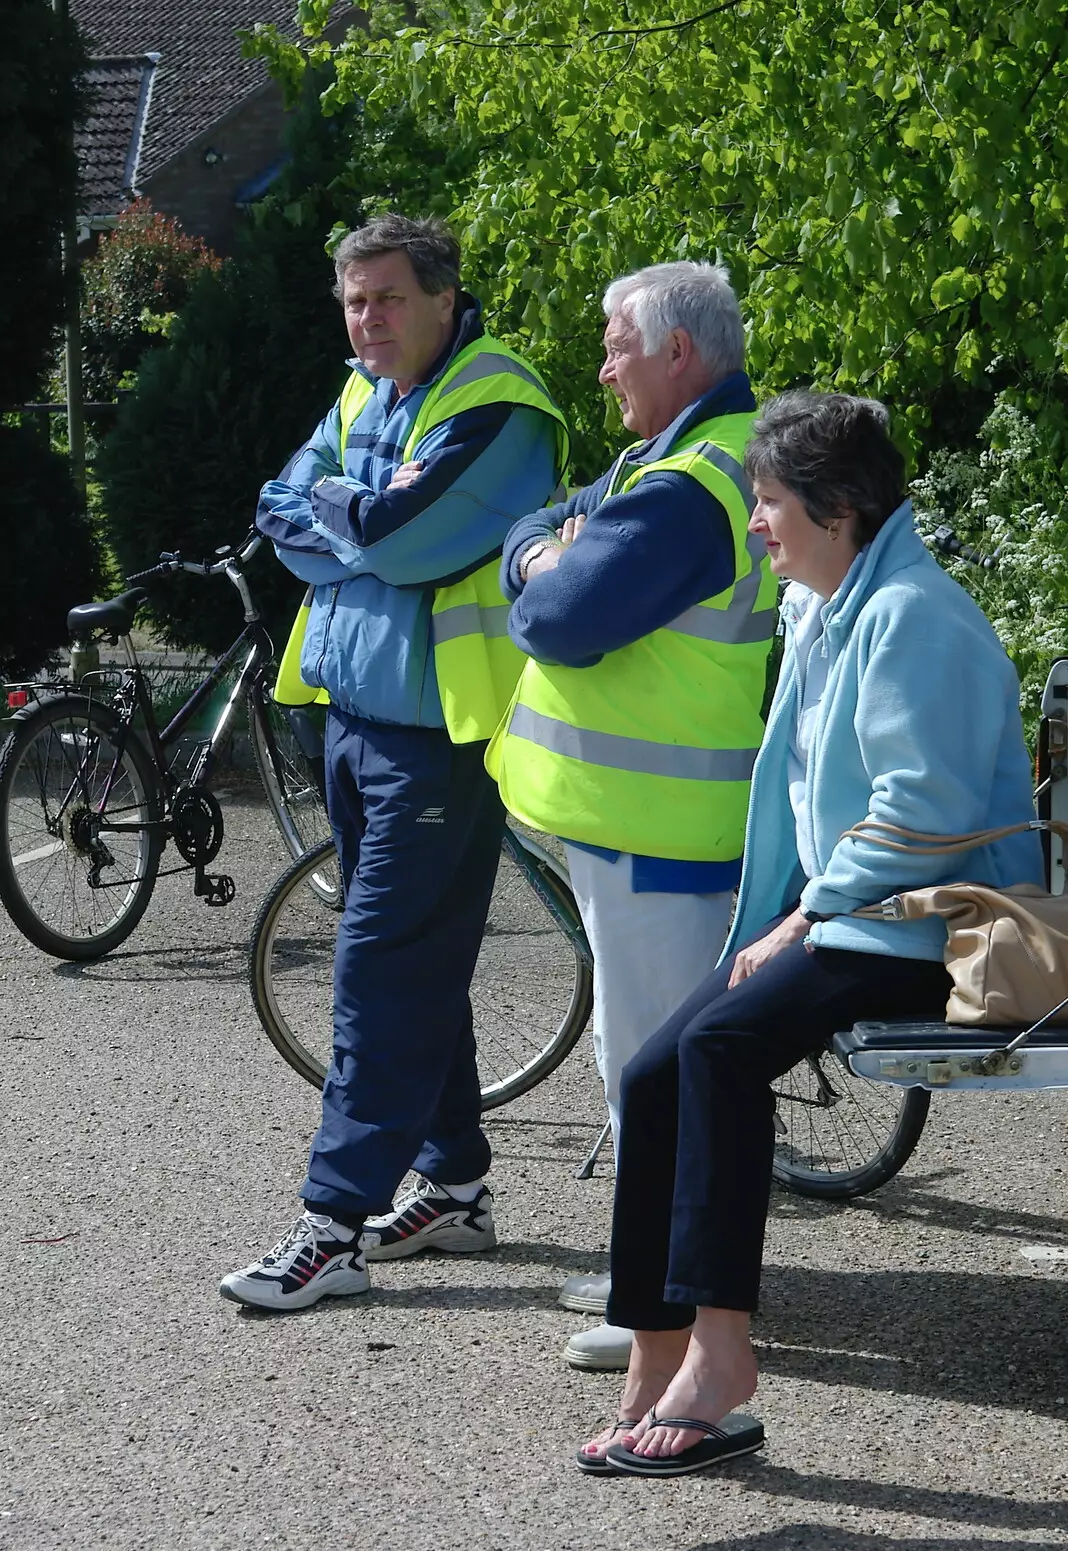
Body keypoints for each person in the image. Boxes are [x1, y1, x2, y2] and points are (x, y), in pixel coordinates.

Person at [577, 389, 1043, 1476]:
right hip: (852, 917)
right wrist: (799, 915)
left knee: (721, 1048)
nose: (755, 523)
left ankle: (724, 1364)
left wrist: (806, 916)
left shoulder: (913, 615)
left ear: (838, 509)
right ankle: (659, 1354)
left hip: (930, 930)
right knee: (654, 1074)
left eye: (770, 501)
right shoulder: (828, 603)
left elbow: (925, 816)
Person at [221, 213, 569, 1310]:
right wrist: (354, 519)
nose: (366, 321)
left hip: (443, 740)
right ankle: (457, 1184)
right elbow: (285, 512)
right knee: (418, 965)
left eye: (386, 300)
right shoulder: (366, 387)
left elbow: (407, 536)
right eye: (354, 302)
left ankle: (333, 1224)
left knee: (379, 967)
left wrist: (353, 524)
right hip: (355, 722)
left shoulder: (497, 401)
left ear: (442, 297)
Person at [486, 262, 776, 1370]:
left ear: (676, 354)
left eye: (615, 344)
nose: (602, 366)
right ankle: (650, 1275)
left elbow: (558, 614)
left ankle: (655, 1305)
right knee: (647, 1058)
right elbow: (536, 529)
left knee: (650, 1067)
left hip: (659, 824)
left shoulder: (689, 482)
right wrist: (549, 547)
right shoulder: (675, 459)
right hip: (641, 818)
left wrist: (550, 560)